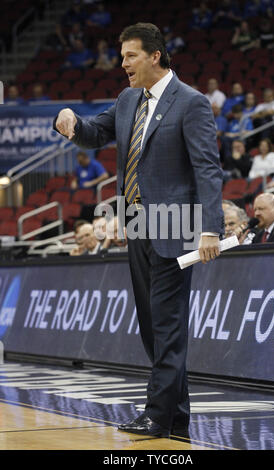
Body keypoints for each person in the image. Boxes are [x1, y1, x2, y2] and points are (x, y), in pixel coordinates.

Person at [54, 22, 224, 438]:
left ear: (155, 55)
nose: (123, 63)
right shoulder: (128, 100)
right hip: (138, 227)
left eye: (130, 55)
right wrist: (73, 122)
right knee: (153, 328)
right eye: (122, 55)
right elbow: (97, 133)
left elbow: (207, 168)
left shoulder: (192, 102)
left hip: (176, 229)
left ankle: (155, 413)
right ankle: (176, 414)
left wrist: (210, 229)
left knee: (167, 327)